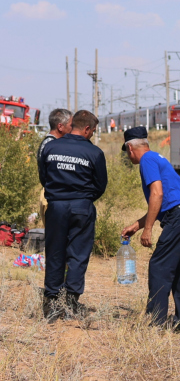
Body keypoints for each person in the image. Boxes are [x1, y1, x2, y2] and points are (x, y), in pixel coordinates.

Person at [121, 127, 180, 330]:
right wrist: (137, 226)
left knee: (159, 266)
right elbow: (163, 203)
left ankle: (155, 322)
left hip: (179, 215)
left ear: (130, 148)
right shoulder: (156, 157)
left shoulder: (146, 161)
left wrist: (148, 230)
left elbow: (157, 194)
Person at [38, 110, 107, 322]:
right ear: (86, 129)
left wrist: (59, 195)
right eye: (93, 131)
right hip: (82, 208)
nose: (93, 135)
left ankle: (51, 303)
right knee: (78, 255)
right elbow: (100, 185)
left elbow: (43, 177)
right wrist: (83, 198)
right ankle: (71, 301)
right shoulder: (94, 153)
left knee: (55, 252)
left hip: (56, 207)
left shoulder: (50, 148)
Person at [37, 108, 73, 222]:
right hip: (52, 198)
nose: (73, 129)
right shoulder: (50, 145)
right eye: (71, 125)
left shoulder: (51, 143)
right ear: (60, 126)